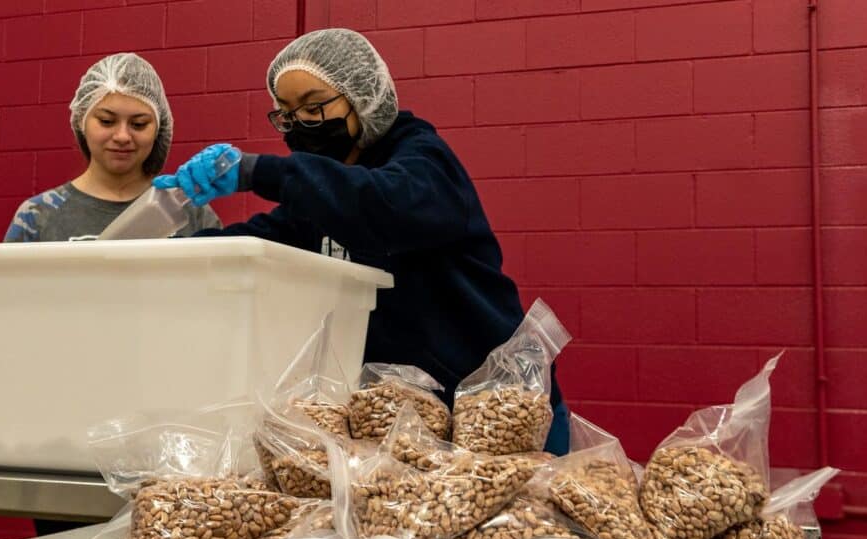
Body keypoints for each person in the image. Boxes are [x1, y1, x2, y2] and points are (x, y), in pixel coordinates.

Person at [155, 29, 570, 454]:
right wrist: (164, 251)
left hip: (499, 408)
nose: (300, 125)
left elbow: (378, 204)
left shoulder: (424, 164)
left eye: (314, 107)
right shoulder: (322, 196)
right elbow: (265, 239)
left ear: (363, 97)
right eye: (287, 114)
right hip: (410, 421)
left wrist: (256, 172)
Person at [4, 53, 221, 242]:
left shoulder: (191, 212)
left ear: (158, 130)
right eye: (107, 121)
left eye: (139, 124)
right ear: (82, 121)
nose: (122, 136)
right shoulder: (38, 216)